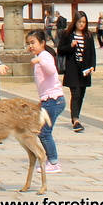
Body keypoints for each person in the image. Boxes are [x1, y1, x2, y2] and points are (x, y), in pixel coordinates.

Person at [26, 29, 64, 173]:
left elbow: (52, 70)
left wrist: (40, 60)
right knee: (42, 131)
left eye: (33, 43)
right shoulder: (41, 56)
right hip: (48, 100)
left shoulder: (45, 56)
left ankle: (54, 162)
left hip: (54, 100)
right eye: (28, 43)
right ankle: (50, 160)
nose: (30, 46)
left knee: (44, 132)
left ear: (42, 43)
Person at [57, 11, 95, 133]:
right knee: (76, 93)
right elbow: (60, 50)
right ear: (75, 22)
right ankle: (76, 119)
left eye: (84, 22)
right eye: (80, 22)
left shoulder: (88, 35)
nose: (82, 24)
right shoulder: (67, 34)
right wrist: (71, 46)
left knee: (82, 94)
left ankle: (76, 116)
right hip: (72, 68)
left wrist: (93, 66)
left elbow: (92, 53)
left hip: (84, 69)